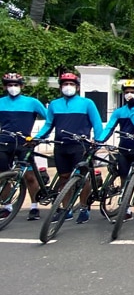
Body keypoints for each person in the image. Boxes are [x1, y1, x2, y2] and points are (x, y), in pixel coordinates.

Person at [36, 72, 104, 224]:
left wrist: (98, 141)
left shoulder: (87, 103)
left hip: (81, 147)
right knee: (64, 178)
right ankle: (66, 210)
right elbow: (48, 124)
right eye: (65, 84)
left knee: (82, 178)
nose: (68, 87)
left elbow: (97, 124)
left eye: (71, 84)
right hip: (60, 146)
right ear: (60, 87)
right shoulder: (54, 104)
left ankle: (84, 208)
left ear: (77, 87)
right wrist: (37, 138)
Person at [97, 79, 134, 224]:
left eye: (132, 92)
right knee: (124, 179)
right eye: (127, 92)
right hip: (123, 148)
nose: (129, 94)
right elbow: (109, 127)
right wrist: (99, 141)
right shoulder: (119, 111)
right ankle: (126, 210)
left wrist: (133, 107)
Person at [0, 73, 47, 221]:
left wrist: (38, 137)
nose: (12, 87)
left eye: (16, 85)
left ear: (22, 86)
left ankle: (34, 207)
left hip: (25, 143)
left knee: (29, 176)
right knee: (3, 177)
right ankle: (7, 207)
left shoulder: (32, 102)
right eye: (9, 84)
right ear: (4, 86)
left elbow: (49, 119)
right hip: (3, 143)